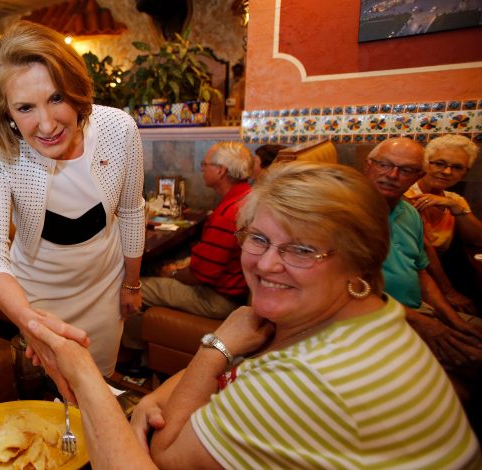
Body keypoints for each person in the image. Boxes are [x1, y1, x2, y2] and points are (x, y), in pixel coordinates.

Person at [28, 161, 482, 469]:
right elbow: (237, 375)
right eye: (258, 239)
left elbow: (164, 457)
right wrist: (152, 399)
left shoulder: (312, 379)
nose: (265, 265)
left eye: (302, 249)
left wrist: (79, 368)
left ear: (360, 263)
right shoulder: (362, 315)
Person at [0, 21, 144, 389]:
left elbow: (130, 210)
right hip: (36, 296)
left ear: (76, 89)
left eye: (56, 98)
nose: (47, 124)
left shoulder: (118, 129)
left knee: (101, 386)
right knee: (48, 391)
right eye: (25, 108)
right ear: (6, 111)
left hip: (103, 283)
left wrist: (131, 284)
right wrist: (28, 321)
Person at [362, 137, 482, 370]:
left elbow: (421, 272)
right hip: (374, 319)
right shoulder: (343, 210)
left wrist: (453, 320)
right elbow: (349, 287)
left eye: (406, 170)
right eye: (384, 164)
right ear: (368, 164)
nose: (393, 175)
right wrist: (425, 323)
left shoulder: (410, 213)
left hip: (419, 310)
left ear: (418, 176)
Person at [139, 141, 251, 319]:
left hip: (220, 298)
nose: (202, 170)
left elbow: (199, 276)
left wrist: (172, 273)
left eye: (204, 165)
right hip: (232, 289)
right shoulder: (246, 196)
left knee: (132, 287)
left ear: (221, 170)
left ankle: (132, 344)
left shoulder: (228, 215)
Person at [406, 134, 482, 313]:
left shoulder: (454, 199)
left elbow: (477, 239)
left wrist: (454, 207)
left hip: (444, 272)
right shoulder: (407, 195)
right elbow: (423, 249)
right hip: (415, 275)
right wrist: (448, 292)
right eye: (440, 163)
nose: (447, 172)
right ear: (425, 163)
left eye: (457, 167)